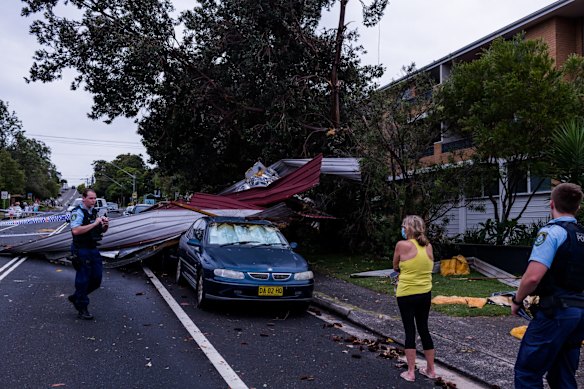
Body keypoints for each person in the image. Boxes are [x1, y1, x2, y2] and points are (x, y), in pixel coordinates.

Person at [512, 182, 584, 388]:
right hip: (579, 313)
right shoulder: (582, 236)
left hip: (556, 312)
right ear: (577, 207)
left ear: (551, 204)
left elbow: (533, 277)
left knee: (527, 372)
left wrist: (517, 300)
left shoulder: (552, 233)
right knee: (563, 376)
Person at [392, 215, 437, 382]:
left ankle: (411, 372)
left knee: (410, 330)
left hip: (406, 294)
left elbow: (395, 266)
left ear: (409, 229)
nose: (402, 229)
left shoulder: (402, 245)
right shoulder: (429, 247)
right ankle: (431, 370)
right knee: (424, 328)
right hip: (425, 294)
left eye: (404, 226)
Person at [68, 188, 109, 320]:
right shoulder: (78, 212)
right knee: (83, 280)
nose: (94, 200)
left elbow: (100, 230)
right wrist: (95, 223)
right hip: (81, 249)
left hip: (93, 248)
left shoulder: (94, 213)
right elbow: (76, 230)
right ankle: (82, 307)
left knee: (97, 279)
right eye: (91, 198)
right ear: (84, 198)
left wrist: (104, 225)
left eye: (95, 198)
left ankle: (76, 297)